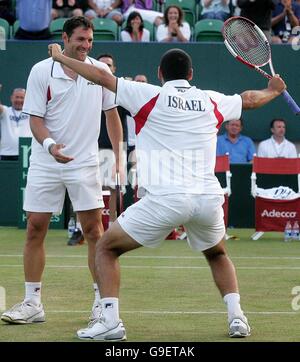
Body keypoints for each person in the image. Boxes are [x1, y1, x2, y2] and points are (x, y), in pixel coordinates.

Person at [48, 45, 286, 341]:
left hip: (166, 200)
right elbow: (249, 99)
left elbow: (101, 76)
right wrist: (273, 91)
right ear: (191, 74)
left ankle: (110, 321)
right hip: (208, 200)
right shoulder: (211, 99)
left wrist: (60, 58)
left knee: (105, 249)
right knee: (217, 253)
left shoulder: (148, 94)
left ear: (160, 74)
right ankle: (237, 317)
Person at [1, 16, 123, 325]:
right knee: (35, 228)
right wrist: (51, 146)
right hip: (47, 159)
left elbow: (112, 116)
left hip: (85, 162)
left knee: (94, 232)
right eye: (80, 40)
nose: (86, 46)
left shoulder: (100, 72)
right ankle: (32, 302)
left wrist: (118, 157)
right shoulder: (41, 71)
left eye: (90, 41)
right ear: (65, 38)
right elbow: (35, 120)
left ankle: (100, 303)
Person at [97, 53, 128, 226]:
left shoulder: (121, 90)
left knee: (113, 188)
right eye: (101, 65)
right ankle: (79, 229)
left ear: (114, 69)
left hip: (115, 148)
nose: (105, 68)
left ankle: (112, 225)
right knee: (89, 188)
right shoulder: (86, 88)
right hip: (91, 145)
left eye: (108, 65)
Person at [0, 88, 32, 161]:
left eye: (22, 98)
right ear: (11, 98)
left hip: (27, 152)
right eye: (17, 97)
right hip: (7, 153)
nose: (19, 100)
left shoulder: (31, 112)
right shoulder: (5, 111)